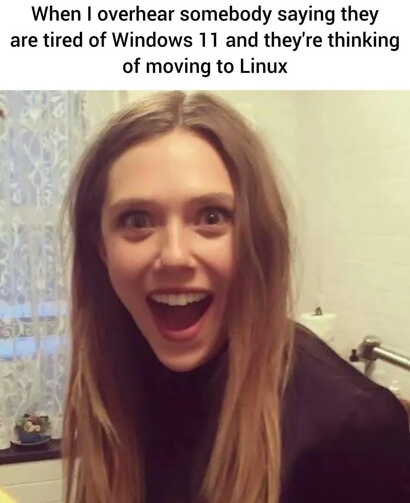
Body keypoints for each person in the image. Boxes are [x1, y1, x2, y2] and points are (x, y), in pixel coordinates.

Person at [62, 91, 410, 503]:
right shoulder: (117, 384)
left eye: (212, 217)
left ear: (257, 237)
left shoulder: (355, 428)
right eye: (137, 220)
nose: (174, 256)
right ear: (101, 246)